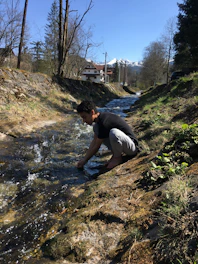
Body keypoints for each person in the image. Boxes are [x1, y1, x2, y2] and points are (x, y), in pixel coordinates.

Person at [76, 100, 138, 169]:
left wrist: (85, 161)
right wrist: (84, 159)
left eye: (84, 117)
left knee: (114, 133)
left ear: (92, 112)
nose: (84, 121)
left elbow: (96, 146)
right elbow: (94, 141)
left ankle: (117, 158)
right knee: (97, 129)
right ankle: (116, 155)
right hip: (124, 146)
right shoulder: (98, 123)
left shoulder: (104, 122)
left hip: (132, 148)